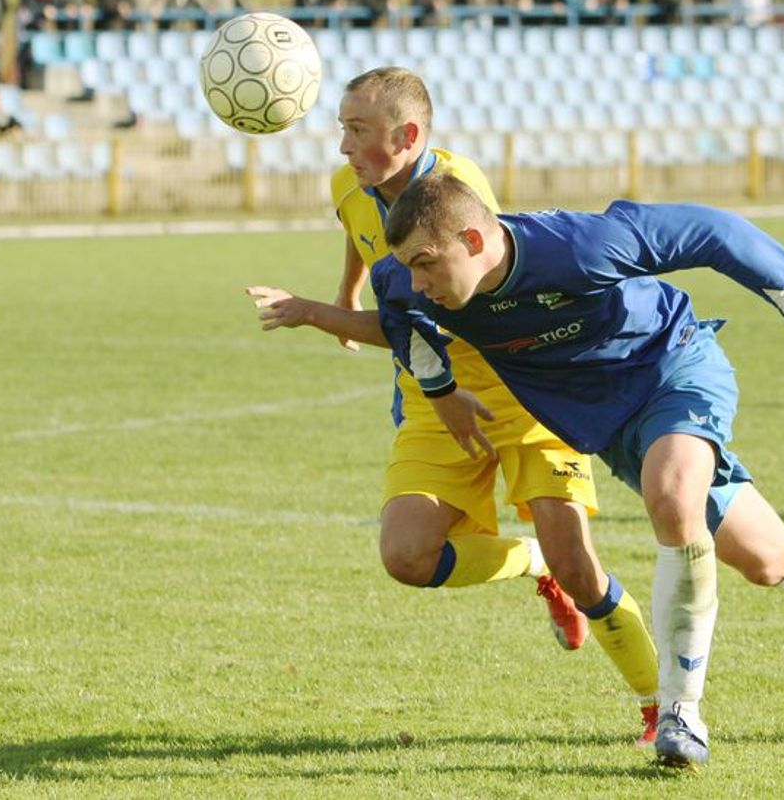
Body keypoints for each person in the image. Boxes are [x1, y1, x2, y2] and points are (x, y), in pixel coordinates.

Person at [373, 171, 784, 768]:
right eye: (410, 266)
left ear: (475, 241)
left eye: (427, 263)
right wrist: (442, 389)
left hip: (673, 367)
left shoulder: (580, 248)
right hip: (610, 424)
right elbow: (401, 317)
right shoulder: (405, 282)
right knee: (766, 559)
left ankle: (680, 713)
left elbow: (712, 231)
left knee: (672, 499)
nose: (418, 280)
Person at [245, 67, 661, 745]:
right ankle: (529, 561)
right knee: (406, 555)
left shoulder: (458, 190)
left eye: (358, 131)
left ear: (406, 137)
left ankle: (658, 703)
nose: (343, 146)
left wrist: (317, 314)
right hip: (431, 391)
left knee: (581, 568)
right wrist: (347, 292)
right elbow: (361, 234)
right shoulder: (347, 185)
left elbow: (436, 311)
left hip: (518, 383)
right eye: (341, 128)